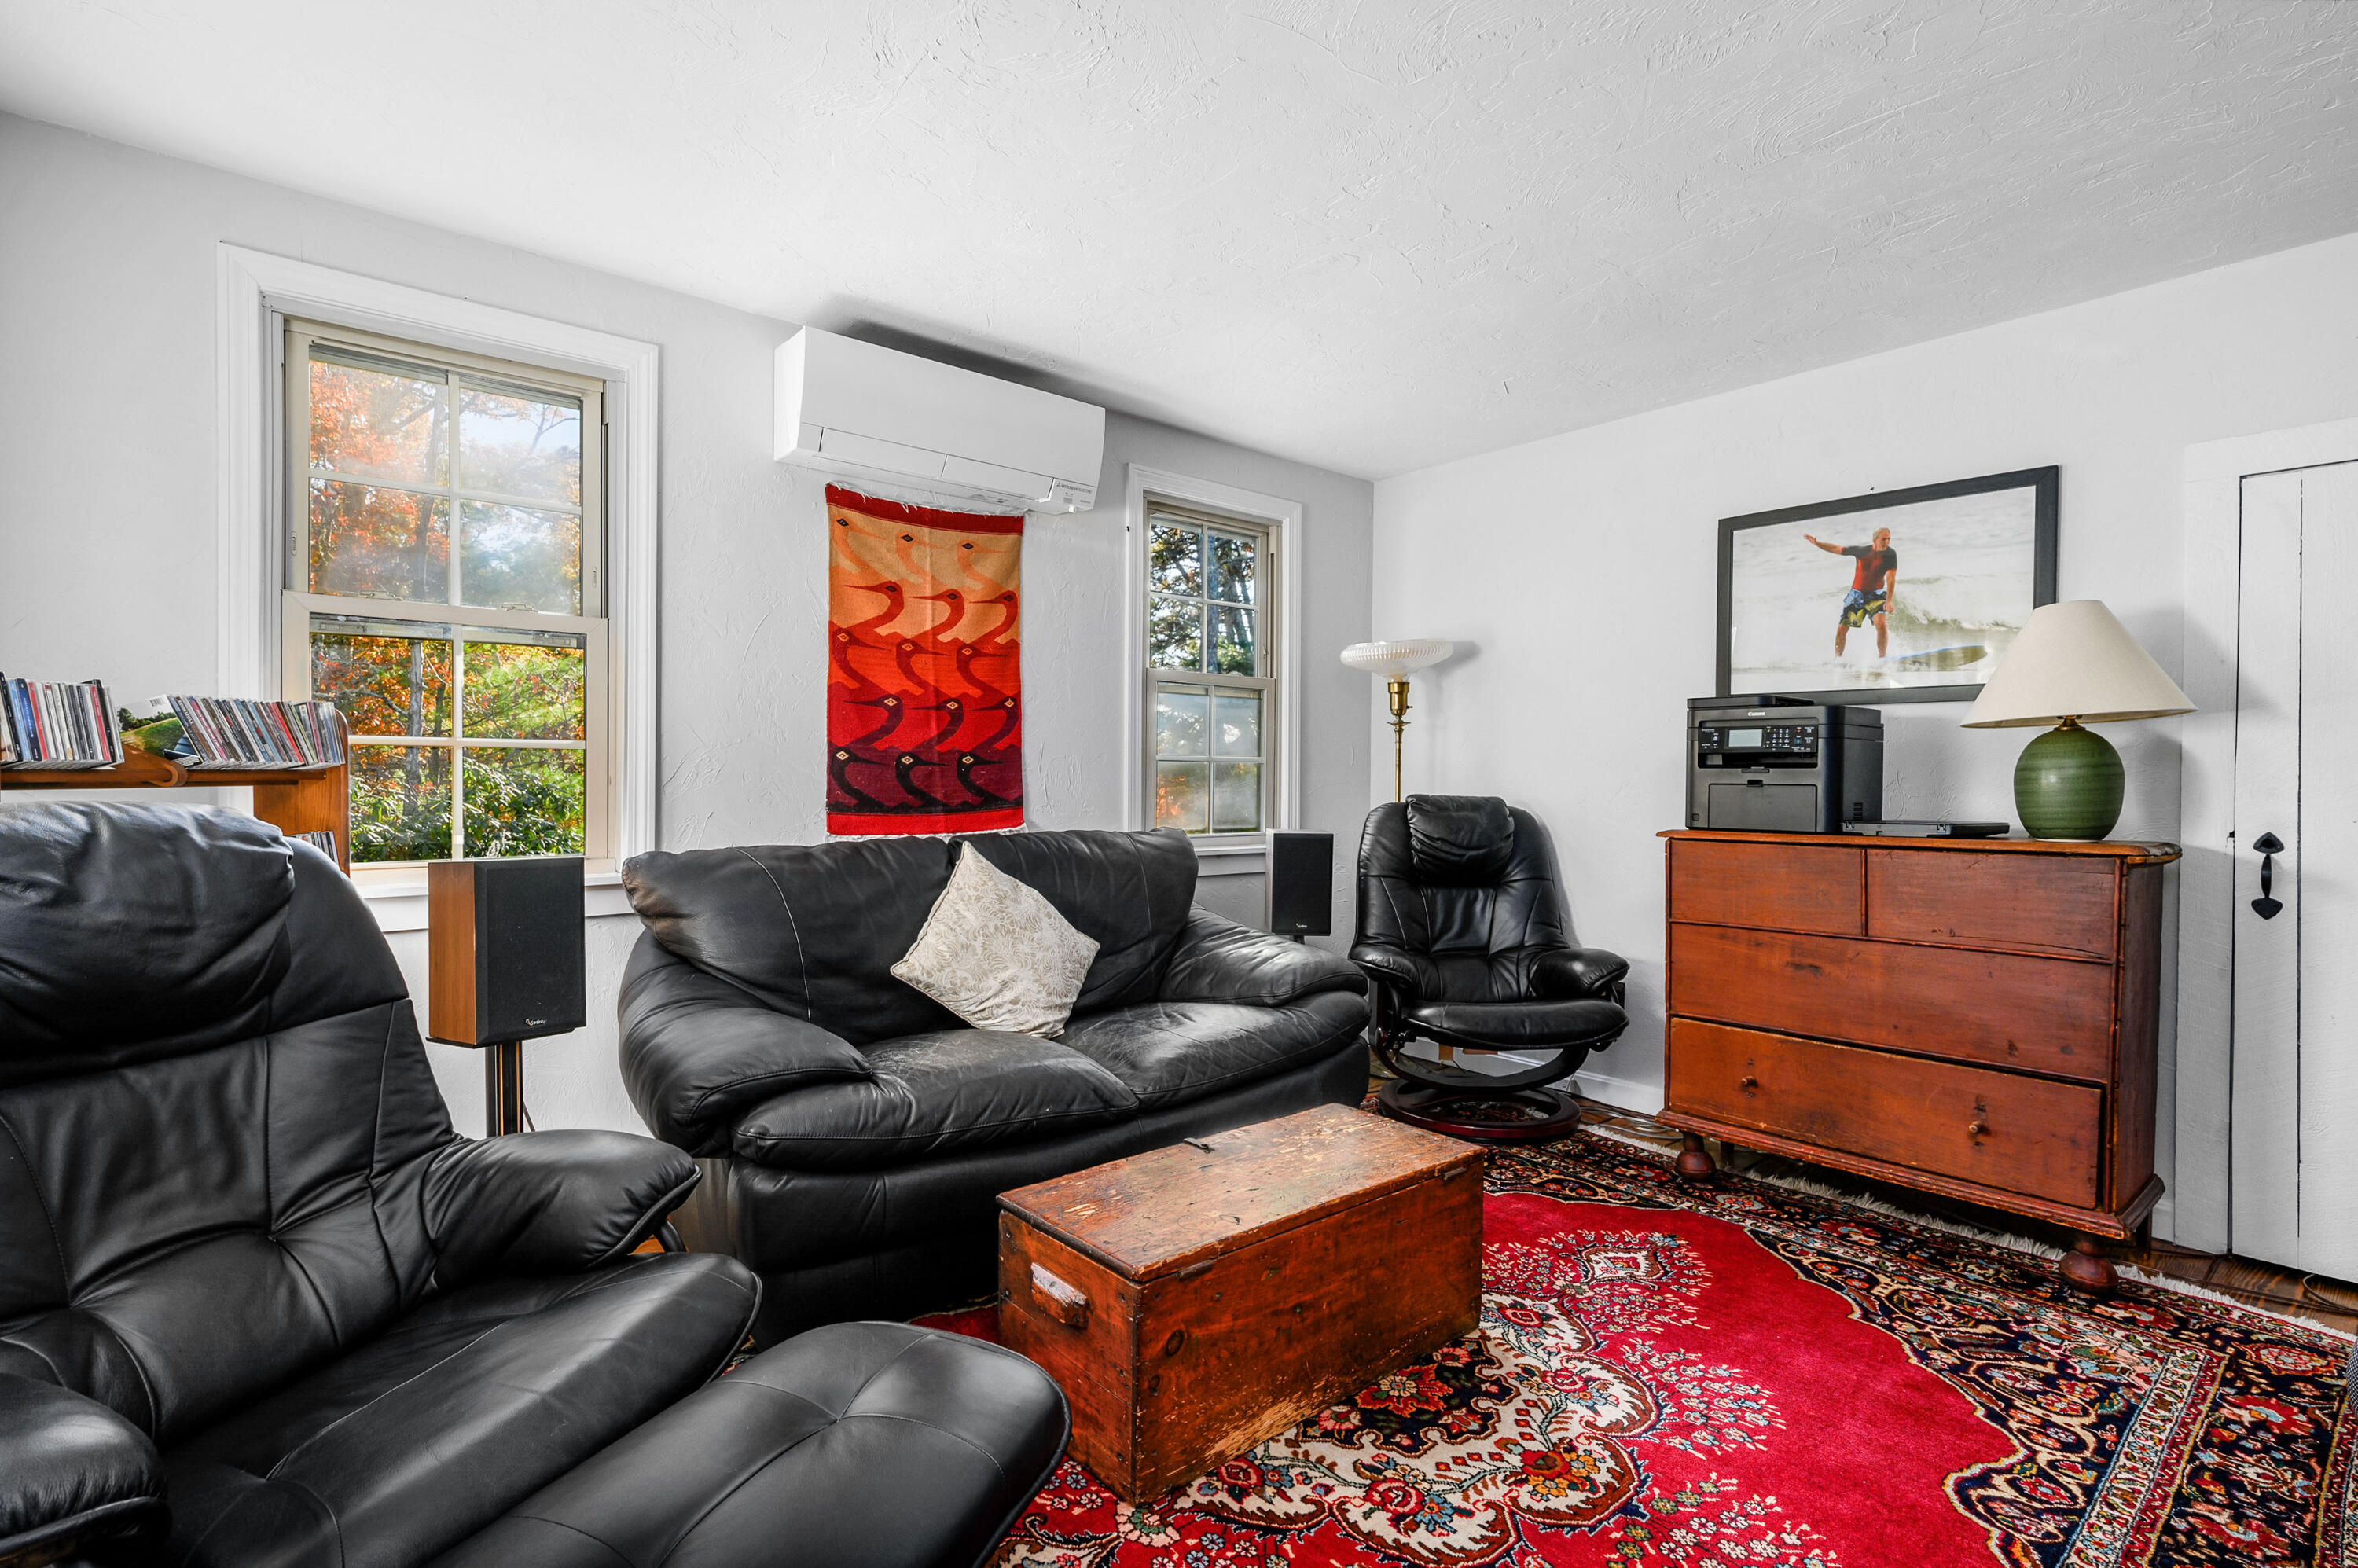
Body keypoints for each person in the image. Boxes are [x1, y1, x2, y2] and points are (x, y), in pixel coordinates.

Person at [1804, 525, 1898, 657]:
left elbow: (1891, 579)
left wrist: (1889, 601)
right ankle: (1838, 660)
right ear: (1875, 539)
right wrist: (1817, 543)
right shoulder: (1862, 551)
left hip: (1876, 595)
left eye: (1889, 539)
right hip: (1857, 595)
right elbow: (1836, 548)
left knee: (1881, 624)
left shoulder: (1890, 554)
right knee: (1842, 630)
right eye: (1884, 539)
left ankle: (1883, 658)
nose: (1887, 542)